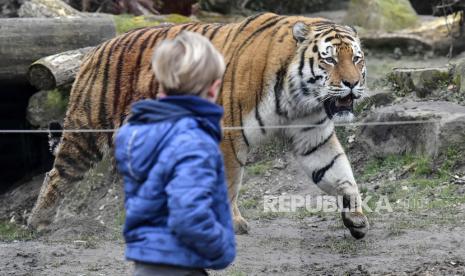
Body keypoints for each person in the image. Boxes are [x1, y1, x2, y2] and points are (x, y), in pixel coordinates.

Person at [114, 31, 235, 276]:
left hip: (146, 263)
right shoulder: (193, 141)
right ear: (214, 89)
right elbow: (188, 214)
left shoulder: (137, 132)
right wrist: (222, 249)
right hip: (180, 267)